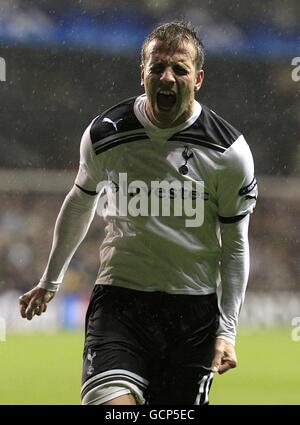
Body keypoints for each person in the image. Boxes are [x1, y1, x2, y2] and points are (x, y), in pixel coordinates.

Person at [19, 22, 257, 405]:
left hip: (192, 312)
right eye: (157, 67)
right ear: (142, 74)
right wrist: (51, 279)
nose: (167, 77)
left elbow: (235, 244)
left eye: (179, 69)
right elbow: (81, 201)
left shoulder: (228, 153)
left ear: (197, 79)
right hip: (119, 303)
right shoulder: (106, 133)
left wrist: (227, 331)